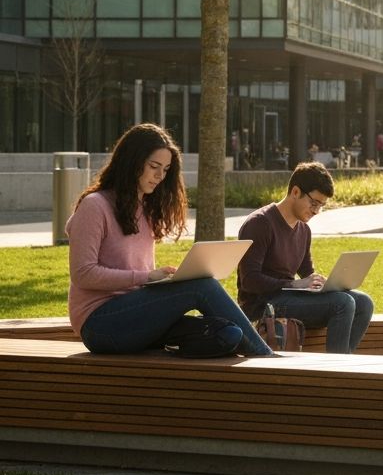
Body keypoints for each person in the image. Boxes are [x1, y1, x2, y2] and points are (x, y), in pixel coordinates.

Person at [66, 123, 274, 358]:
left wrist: (165, 282)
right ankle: (264, 357)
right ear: (131, 161)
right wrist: (148, 277)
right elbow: (82, 273)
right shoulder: (95, 206)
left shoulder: (144, 209)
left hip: (137, 314)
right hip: (100, 324)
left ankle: (177, 349)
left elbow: (137, 279)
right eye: (154, 166)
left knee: (228, 333)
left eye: (165, 169)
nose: (160, 176)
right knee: (201, 286)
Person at [237, 161, 373, 353]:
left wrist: (324, 284)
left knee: (364, 302)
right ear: (295, 192)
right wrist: (293, 284)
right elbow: (249, 280)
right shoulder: (260, 224)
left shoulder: (303, 230)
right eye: (314, 203)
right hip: (262, 305)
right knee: (342, 303)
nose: (316, 211)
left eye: (322, 206)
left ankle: (343, 361)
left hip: (287, 298)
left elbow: (307, 273)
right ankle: (337, 369)